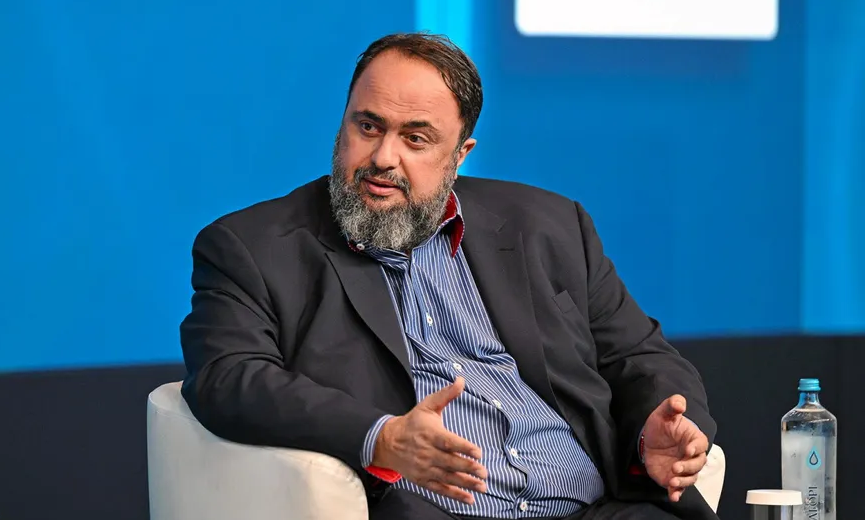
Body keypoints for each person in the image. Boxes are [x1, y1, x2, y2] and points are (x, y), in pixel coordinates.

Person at [180, 32, 717, 520]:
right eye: (367, 126)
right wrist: (382, 437)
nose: (383, 157)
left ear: (460, 156)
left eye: (415, 139)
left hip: (601, 508)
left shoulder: (549, 225)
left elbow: (638, 355)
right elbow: (229, 376)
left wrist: (658, 428)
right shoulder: (253, 247)